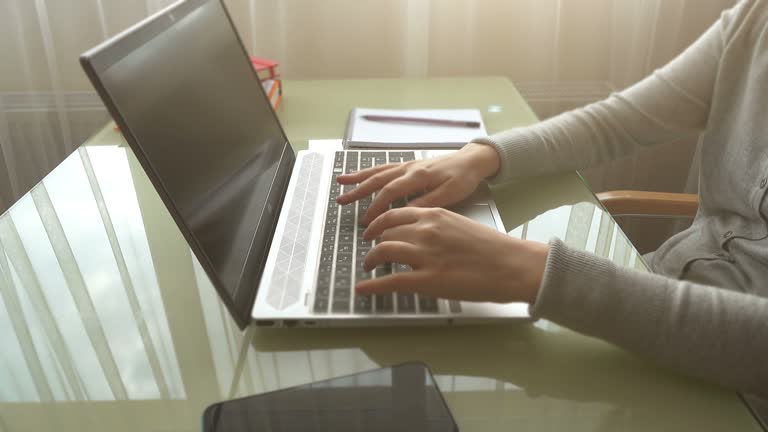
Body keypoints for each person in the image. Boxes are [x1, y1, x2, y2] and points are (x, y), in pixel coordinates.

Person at [335, 0, 768, 397]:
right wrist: (482, 156)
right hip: (655, 299)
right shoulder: (754, 19)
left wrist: (536, 271)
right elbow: (619, 123)